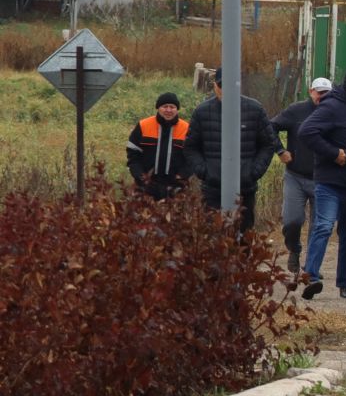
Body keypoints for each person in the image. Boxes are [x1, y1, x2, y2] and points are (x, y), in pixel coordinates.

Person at [297, 65, 346, 301]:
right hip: (330, 182)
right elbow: (306, 131)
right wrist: (333, 153)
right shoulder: (332, 106)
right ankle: (311, 277)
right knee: (324, 226)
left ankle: (345, 283)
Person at [182, 67, 277, 230]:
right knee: (214, 235)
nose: (226, 90)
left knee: (243, 238)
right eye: (222, 85)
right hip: (213, 188)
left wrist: (253, 172)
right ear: (215, 87)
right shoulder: (202, 112)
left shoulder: (254, 110)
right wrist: (205, 171)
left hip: (245, 188)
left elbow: (268, 144)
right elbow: (190, 147)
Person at [270, 78, 330, 271]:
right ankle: (294, 249)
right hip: (295, 175)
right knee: (292, 220)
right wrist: (280, 151)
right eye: (319, 92)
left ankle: (311, 267)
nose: (322, 97)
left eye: (326, 93)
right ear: (310, 91)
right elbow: (270, 127)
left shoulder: (334, 113)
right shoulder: (296, 111)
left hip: (323, 178)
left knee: (319, 226)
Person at [125, 91, 191, 201]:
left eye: (172, 107)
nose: (168, 110)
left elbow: (192, 157)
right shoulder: (143, 125)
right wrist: (140, 176)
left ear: (177, 109)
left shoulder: (186, 128)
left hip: (175, 186)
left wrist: (181, 176)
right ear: (158, 108)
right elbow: (133, 154)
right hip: (146, 185)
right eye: (165, 106)